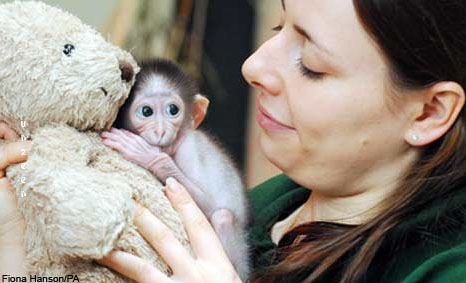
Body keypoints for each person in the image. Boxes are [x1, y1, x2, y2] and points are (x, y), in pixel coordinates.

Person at [2, 0, 466, 282]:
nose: (253, 67)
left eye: (310, 63)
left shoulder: (445, 269)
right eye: (278, 28)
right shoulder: (271, 208)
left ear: (429, 112)